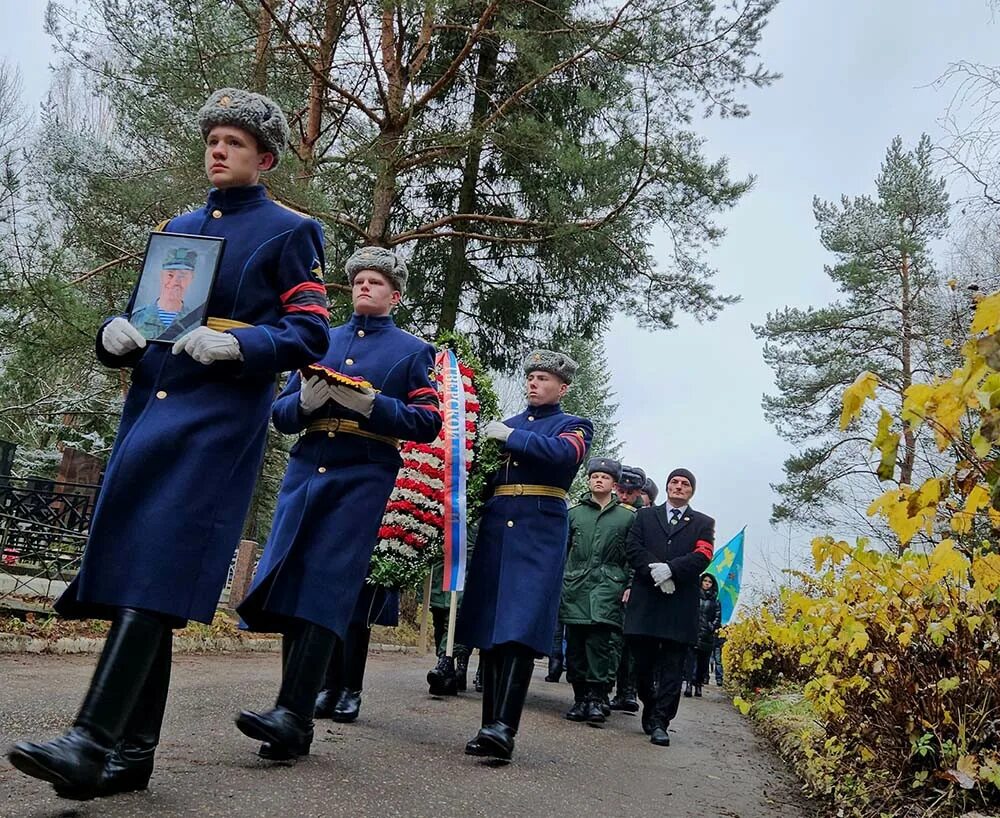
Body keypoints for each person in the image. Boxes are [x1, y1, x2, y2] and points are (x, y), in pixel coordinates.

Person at [6, 87, 331, 800]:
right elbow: (148, 313)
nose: (218, 149)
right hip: (149, 413)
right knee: (132, 573)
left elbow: (311, 334)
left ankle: (91, 739)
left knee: (154, 570)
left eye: (235, 142)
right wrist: (112, 337)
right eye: (212, 138)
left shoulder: (289, 230)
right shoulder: (178, 225)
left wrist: (241, 343)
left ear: (265, 157)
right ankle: (131, 754)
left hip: (216, 422)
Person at [235, 245, 442, 761]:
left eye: (376, 282)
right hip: (307, 470)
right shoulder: (319, 340)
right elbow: (280, 414)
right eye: (359, 281)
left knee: (324, 589)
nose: (365, 288)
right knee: (290, 584)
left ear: (395, 295)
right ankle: (294, 720)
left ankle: (291, 712)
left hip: (362, 474)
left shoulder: (411, 351)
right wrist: (303, 403)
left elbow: (426, 422)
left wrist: (372, 405)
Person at [455, 350, 593, 761]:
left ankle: (503, 727)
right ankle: (488, 726)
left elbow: (565, 456)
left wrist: (512, 439)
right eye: (531, 377)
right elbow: (483, 479)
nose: (534, 383)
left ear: (562, 387)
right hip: (498, 527)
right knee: (493, 628)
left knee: (517, 627)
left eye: (544, 378)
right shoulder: (506, 425)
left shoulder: (574, 425)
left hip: (539, 530)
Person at [624, 468, 714, 747]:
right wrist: (656, 572)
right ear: (666, 487)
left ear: (691, 491)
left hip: (679, 603)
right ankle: (649, 704)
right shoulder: (644, 516)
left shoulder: (702, 522)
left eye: (685, 483)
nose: (679, 486)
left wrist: (671, 571)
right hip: (646, 601)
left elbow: (703, 554)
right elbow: (632, 546)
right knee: (643, 664)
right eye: (674, 482)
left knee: (673, 665)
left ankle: (662, 721)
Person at [560, 457, 636, 725]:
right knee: (576, 646)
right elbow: (562, 551)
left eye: (604, 477)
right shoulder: (574, 514)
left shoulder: (627, 517)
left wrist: (628, 585)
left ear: (614, 484)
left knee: (600, 645)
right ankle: (579, 698)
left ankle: (596, 698)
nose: (598, 480)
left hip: (608, 587)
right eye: (594, 476)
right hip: (576, 587)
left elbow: (633, 557)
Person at [607, 464, 646, 714]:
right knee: (609, 639)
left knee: (629, 643)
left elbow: (638, 556)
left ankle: (627, 691)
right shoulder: (611, 511)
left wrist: (632, 583)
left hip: (633, 585)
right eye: (620, 490)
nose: (624, 496)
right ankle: (603, 689)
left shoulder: (646, 517)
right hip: (609, 580)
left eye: (629, 493)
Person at [426, 523, 477, 696]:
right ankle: (452, 672)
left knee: (457, 616)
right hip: (440, 564)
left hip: (466, 561)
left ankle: (446, 664)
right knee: (439, 617)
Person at [130, 248, 205, 341]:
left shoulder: (197, 322)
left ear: (191, 278)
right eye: (170, 275)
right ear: (161, 276)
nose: (175, 282)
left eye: (182, 276)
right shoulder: (137, 317)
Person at [683, 573, 721, 698]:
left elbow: (717, 618)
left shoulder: (715, 601)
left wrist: (710, 626)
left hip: (707, 636)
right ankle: (689, 684)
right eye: (705, 581)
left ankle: (698, 685)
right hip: (693, 632)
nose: (707, 583)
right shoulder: (693, 597)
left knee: (703, 663)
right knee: (690, 661)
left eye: (709, 582)